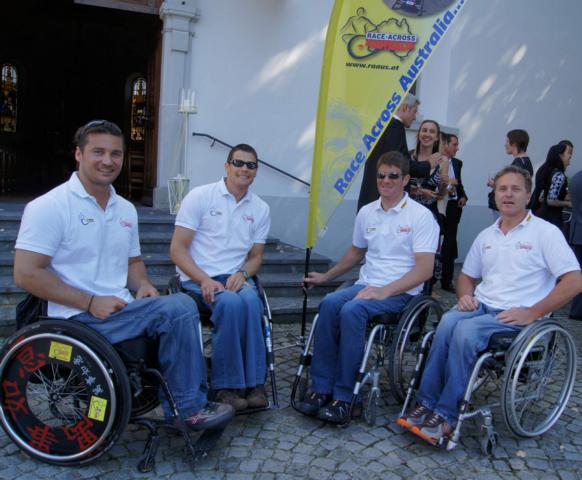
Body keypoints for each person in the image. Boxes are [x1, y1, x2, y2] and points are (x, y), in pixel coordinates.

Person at [13, 120, 234, 431]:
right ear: (78, 154)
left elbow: (133, 262)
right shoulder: (50, 206)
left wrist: (143, 284)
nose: (108, 161)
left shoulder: (126, 210)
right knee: (181, 306)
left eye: (115, 154)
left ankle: (189, 397)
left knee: (174, 308)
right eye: (98, 152)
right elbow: (25, 274)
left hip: (120, 310)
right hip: (75, 317)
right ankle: (188, 409)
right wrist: (90, 301)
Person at [398, 165, 582, 444]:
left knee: (465, 332)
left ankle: (446, 416)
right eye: (502, 189)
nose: (508, 194)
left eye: (515, 189)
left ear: (528, 195)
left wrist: (534, 312)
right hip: (482, 306)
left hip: (517, 316)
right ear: (495, 194)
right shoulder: (487, 235)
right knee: (447, 322)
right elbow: (466, 277)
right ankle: (426, 404)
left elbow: (574, 280)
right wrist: (464, 295)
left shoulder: (545, 233)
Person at [297, 151, 439, 423]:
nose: (386, 180)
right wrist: (326, 277)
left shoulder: (421, 217)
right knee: (329, 303)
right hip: (366, 284)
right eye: (381, 175)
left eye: (393, 176)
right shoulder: (367, 212)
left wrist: (385, 291)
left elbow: (424, 270)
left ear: (406, 179)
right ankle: (321, 388)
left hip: (402, 292)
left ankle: (347, 397)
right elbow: (355, 253)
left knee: (352, 311)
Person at [170, 144, 271, 412]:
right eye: (238, 163)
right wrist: (204, 279)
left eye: (251, 165)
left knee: (252, 302)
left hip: (234, 276)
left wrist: (243, 273)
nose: (244, 169)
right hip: (196, 277)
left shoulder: (260, 208)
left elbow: (256, 257)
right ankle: (227, 387)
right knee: (231, 303)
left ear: (256, 171)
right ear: (227, 166)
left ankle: (255, 384)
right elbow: (177, 250)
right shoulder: (200, 196)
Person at [357, 93, 439, 211]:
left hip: (374, 198)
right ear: (405, 108)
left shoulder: (384, 126)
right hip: (383, 203)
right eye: (414, 112)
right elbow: (399, 164)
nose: (415, 118)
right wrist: (428, 165)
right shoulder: (395, 127)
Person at [439, 133, 468, 292]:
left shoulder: (457, 163)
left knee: (450, 244)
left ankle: (447, 280)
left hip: (453, 207)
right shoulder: (434, 160)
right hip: (438, 205)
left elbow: (459, 183)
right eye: (454, 145)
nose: (457, 148)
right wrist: (450, 182)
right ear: (445, 145)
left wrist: (463, 196)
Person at [488, 129, 533, 219]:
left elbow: (513, 186)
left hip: (508, 207)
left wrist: (494, 184)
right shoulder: (524, 161)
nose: (505, 145)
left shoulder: (519, 163)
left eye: (507, 141)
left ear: (514, 144)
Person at [408, 119, 447, 222]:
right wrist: (420, 191)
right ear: (419, 134)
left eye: (432, 131)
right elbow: (399, 185)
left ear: (437, 137)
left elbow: (441, 196)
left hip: (429, 214)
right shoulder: (408, 156)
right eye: (424, 130)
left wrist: (444, 185)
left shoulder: (443, 160)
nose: (427, 134)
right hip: (407, 212)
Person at [533, 142, 573, 232]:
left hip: (542, 215)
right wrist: (568, 203)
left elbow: (542, 197)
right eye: (568, 156)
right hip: (553, 218)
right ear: (561, 156)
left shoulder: (547, 171)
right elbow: (551, 200)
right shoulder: (559, 175)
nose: (569, 162)